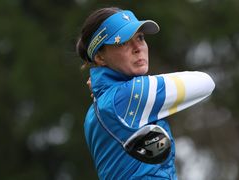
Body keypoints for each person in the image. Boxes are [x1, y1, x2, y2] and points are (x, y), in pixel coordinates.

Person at [76, 7, 215, 179]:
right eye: (123, 42)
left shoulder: (95, 110)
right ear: (99, 57)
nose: (137, 48)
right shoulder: (131, 94)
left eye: (140, 38)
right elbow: (206, 82)